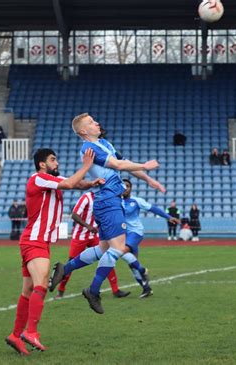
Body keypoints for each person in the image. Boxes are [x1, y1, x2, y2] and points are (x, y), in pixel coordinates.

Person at [48, 113, 163, 315]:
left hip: (107, 202)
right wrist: (145, 165)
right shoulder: (89, 148)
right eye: (91, 122)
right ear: (83, 131)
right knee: (118, 248)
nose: (97, 123)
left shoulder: (104, 144)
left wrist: (147, 179)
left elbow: (123, 162)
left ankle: (64, 270)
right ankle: (93, 291)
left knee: (103, 249)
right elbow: (118, 166)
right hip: (109, 202)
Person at [5, 147, 103, 355]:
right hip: (36, 241)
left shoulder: (49, 181)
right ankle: (31, 332)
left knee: (28, 291)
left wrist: (91, 183)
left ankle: (15, 335)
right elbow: (69, 183)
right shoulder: (38, 178)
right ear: (42, 164)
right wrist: (86, 166)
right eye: (53, 159)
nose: (56, 163)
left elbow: (75, 183)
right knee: (40, 286)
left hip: (34, 241)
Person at [55, 191, 130, 299]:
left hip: (94, 235)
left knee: (107, 258)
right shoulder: (86, 197)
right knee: (71, 262)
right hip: (80, 236)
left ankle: (115, 290)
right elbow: (74, 215)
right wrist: (88, 226)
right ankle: (61, 290)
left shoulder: (105, 198)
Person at [118, 178, 179, 298]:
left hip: (135, 233)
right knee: (132, 264)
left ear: (131, 189)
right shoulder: (116, 201)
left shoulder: (136, 200)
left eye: (127, 186)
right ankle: (146, 289)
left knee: (122, 251)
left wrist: (168, 217)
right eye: (123, 186)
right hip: (123, 235)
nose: (125, 188)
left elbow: (153, 208)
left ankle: (143, 270)